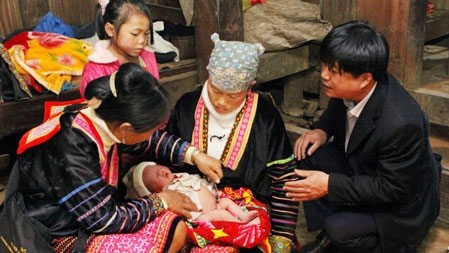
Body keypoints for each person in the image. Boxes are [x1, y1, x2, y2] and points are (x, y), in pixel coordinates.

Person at [1, 63, 221, 253]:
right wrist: (161, 200)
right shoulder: (72, 148)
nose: (153, 134)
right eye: (150, 128)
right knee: (172, 230)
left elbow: (149, 141)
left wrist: (194, 155)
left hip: (85, 216)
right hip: (55, 233)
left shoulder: (106, 113)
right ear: (126, 129)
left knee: (173, 226)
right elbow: (103, 220)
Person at [284, 20, 441, 253]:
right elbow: (337, 108)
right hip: (365, 167)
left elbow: (391, 189)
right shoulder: (352, 85)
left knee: (339, 228)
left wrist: (328, 185)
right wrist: (321, 130)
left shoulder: (401, 123)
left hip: (400, 203)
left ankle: (380, 242)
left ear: (365, 78)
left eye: (333, 71)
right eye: (325, 66)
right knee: (307, 154)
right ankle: (331, 232)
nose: (324, 76)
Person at [167, 33, 300, 252]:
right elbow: (169, 164)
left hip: (247, 210)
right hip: (195, 204)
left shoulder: (265, 115)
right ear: (208, 74)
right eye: (216, 90)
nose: (221, 102)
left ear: (250, 87)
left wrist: (282, 236)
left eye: (233, 95)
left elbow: (283, 178)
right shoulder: (187, 106)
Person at [123, 161, 260, 224]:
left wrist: (210, 188)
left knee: (226, 202)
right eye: (156, 178)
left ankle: (242, 214)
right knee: (221, 213)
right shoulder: (170, 193)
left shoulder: (181, 175)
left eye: (157, 168)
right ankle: (239, 223)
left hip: (215, 203)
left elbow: (198, 182)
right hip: (203, 215)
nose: (159, 172)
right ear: (157, 192)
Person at [80, 0, 159, 97]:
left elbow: (156, 96)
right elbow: (95, 108)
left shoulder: (147, 57)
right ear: (110, 30)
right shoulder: (95, 71)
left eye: (146, 33)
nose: (142, 40)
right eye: (135, 34)